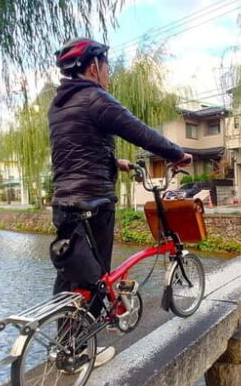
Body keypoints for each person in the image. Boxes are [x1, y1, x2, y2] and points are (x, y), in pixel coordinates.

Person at [48, 38, 192, 367]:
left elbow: (76, 150)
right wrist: (176, 153)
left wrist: (117, 163)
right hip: (94, 202)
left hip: (64, 202)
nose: (108, 74)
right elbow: (136, 130)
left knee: (71, 274)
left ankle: (65, 344)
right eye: (107, 67)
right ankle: (83, 352)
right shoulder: (94, 97)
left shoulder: (59, 105)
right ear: (94, 66)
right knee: (97, 277)